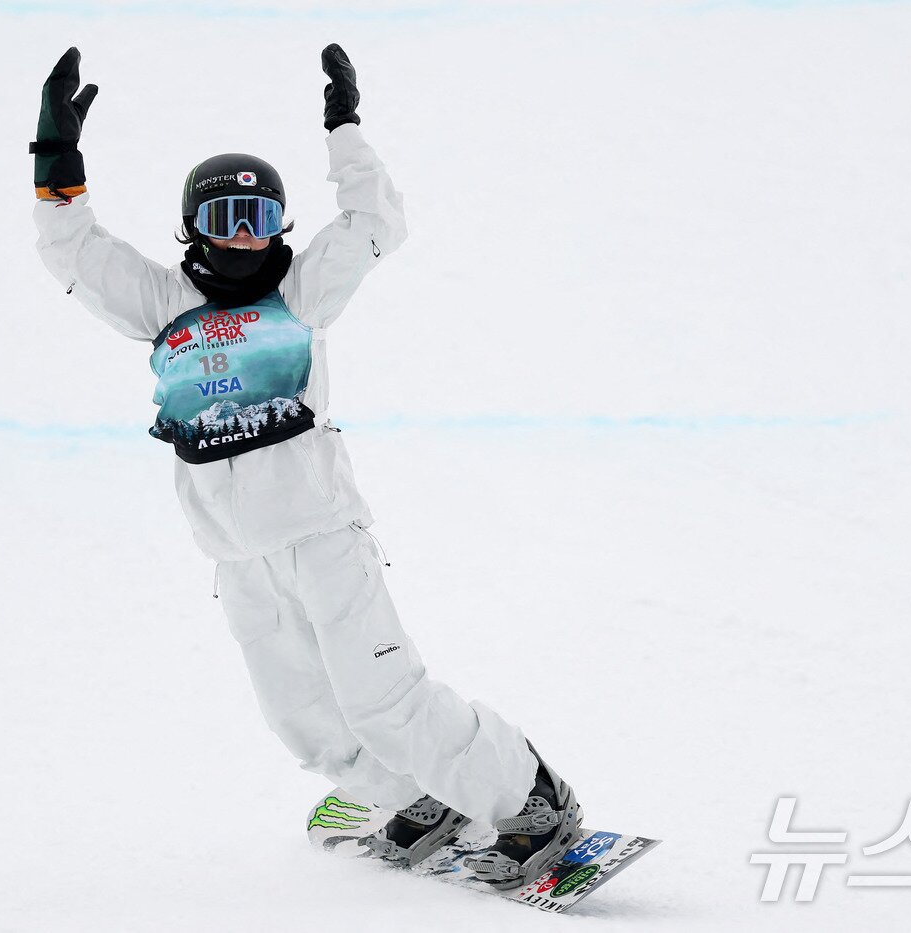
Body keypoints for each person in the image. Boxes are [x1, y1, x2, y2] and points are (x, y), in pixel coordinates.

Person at [29, 44, 581, 886]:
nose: (243, 240)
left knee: (385, 697)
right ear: (192, 231)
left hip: (324, 537)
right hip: (237, 557)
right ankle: (419, 798)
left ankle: (527, 796)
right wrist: (57, 158)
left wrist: (345, 132)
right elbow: (73, 250)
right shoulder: (163, 305)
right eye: (225, 222)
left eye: (258, 221)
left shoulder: (301, 294)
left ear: (280, 229)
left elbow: (374, 224)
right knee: (303, 717)